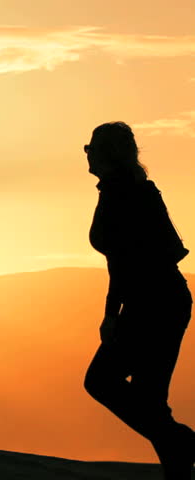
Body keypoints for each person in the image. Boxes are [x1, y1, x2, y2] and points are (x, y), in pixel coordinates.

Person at [83, 121, 195, 479]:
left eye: (91, 148)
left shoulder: (123, 193)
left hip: (153, 304)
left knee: (100, 381)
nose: (87, 153)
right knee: (150, 402)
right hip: (162, 300)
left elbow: (124, 260)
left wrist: (112, 315)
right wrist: (114, 312)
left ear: (107, 154)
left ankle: (184, 445)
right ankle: (179, 464)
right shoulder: (130, 189)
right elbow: (123, 259)